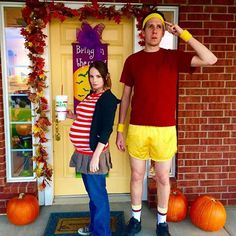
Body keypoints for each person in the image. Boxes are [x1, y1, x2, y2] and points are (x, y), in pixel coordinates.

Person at [116, 11, 217, 236]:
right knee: (136, 176)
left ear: (163, 32)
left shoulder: (173, 57)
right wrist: (120, 129)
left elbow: (211, 59)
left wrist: (183, 34)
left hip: (165, 130)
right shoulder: (133, 60)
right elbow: (126, 97)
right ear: (143, 32)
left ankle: (162, 223)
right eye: (150, 26)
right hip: (138, 129)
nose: (154, 30)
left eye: (159, 27)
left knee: (162, 177)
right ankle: (135, 220)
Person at [68, 61, 120, 236]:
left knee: (98, 197)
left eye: (98, 76)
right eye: (91, 76)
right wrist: (73, 116)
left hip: (93, 155)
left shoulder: (108, 98)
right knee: (93, 196)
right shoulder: (91, 95)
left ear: (106, 77)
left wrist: (96, 156)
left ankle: (102, 233)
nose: (94, 80)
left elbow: (106, 130)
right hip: (83, 154)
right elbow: (90, 119)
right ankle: (94, 228)